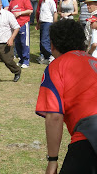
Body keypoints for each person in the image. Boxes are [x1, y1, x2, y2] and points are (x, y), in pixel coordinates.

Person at [35, 19, 97, 174]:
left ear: (53, 45)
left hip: (89, 135)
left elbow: (54, 117)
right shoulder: (94, 61)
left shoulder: (56, 67)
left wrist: (52, 160)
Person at [8, 0, 33, 68]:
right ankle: (21, 59)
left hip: (23, 22)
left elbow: (30, 10)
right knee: (17, 43)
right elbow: (9, 11)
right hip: (15, 25)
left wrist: (20, 13)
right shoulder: (12, 1)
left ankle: (26, 60)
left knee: (24, 42)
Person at [36, 0, 58, 65]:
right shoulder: (42, 2)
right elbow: (41, 14)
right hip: (42, 22)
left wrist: (54, 24)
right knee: (42, 40)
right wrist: (38, 24)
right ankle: (45, 56)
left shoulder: (51, 2)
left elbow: (55, 13)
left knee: (45, 40)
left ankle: (51, 55)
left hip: (48, 23)